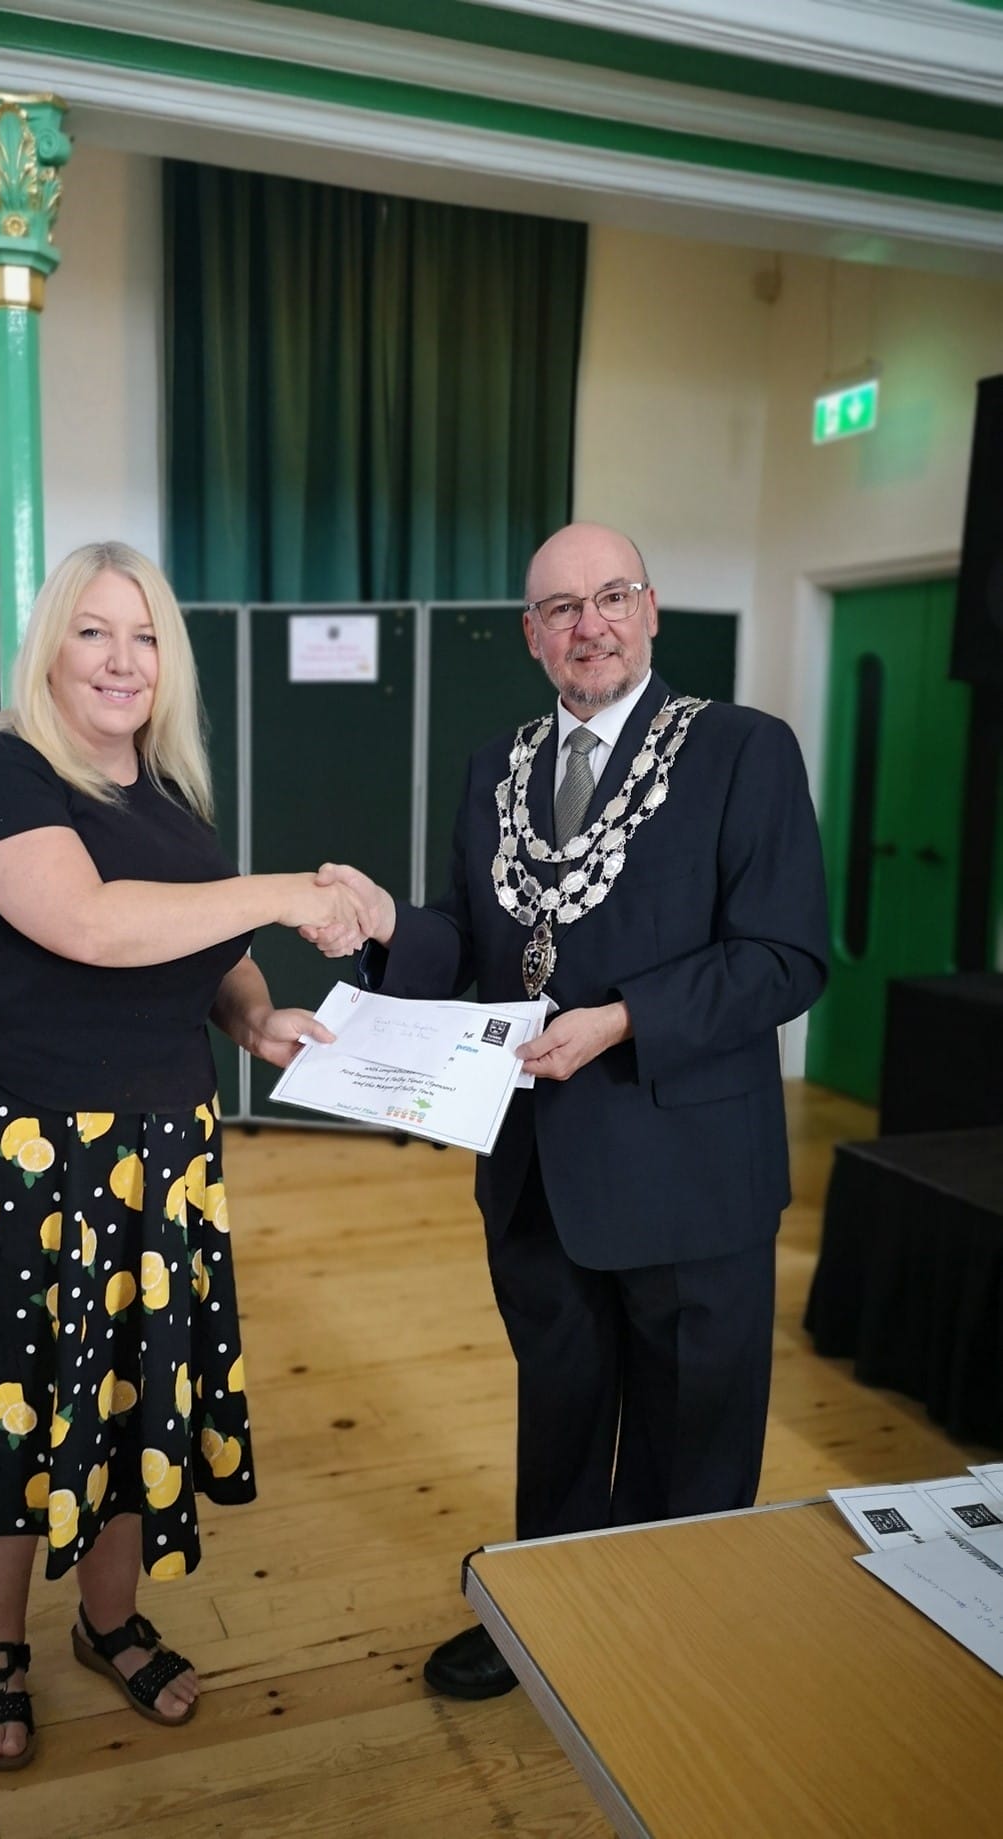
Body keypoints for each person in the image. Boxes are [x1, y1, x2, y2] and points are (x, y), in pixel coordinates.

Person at [0, 540, 370, 1768]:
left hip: (158, 1150)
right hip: (17, 1149)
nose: (121, 658)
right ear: (50, 647)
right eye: (93, 630)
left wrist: (253, 1016)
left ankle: (109, 1621)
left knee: (134, 1395)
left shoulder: (171, 798)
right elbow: (90, 924)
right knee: (6, 1402)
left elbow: (203, 948)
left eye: (144, 636)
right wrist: (280, 891)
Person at [312, 522, 828, 1700]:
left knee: (688, 1430)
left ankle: (665, 1645)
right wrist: (389, 923)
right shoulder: (494, 766)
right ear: (530, 635)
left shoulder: (740, 750)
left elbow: (784, 957)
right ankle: (539, 1620)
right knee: (557, 1407)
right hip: (536, 1164)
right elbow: (470, 941)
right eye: (559, 608)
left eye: (609, 597)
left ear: (650, 610)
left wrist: (622, 1019)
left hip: (687, 1162)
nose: (587, 625)